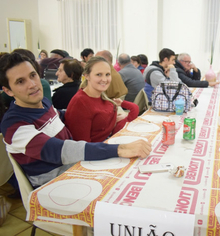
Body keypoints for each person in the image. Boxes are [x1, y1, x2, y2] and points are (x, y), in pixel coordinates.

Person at [0, 52, 151, 188]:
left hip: (75, 166)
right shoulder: (13, 124)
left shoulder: (43, 103)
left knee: (137, 171)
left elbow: (60, 116)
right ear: (7, 90)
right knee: (124, 183)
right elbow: (60, 150)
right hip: (55, 183)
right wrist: (120, 149)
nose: (32, 84)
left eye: (33, 75)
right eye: (20, 81)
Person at [65, 56, 139, 142]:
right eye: (98, 74)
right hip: (97, 150)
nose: (104, 79)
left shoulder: (101, 96)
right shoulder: (80, 102)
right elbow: (82, 146)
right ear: (87, 76)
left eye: (107, 74)